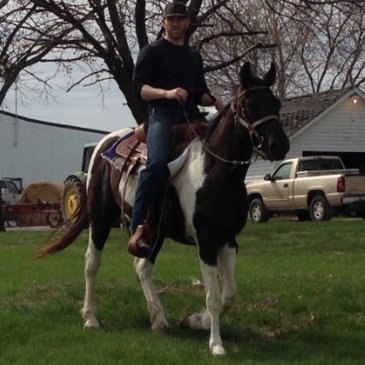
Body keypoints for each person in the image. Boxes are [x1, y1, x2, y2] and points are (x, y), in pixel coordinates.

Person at [128, 1, 223, 258]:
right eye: (171, 20)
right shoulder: (153, 52)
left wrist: (213, 101)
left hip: (192, 116)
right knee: (157, 165)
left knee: (218, 153)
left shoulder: (193, 57)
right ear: (163, 23)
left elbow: (199, 93)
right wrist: (167, 93)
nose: (176, 24)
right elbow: (140, 90)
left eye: (180, 19)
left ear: (187, 23)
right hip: (162, 115)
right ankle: (138, 227)